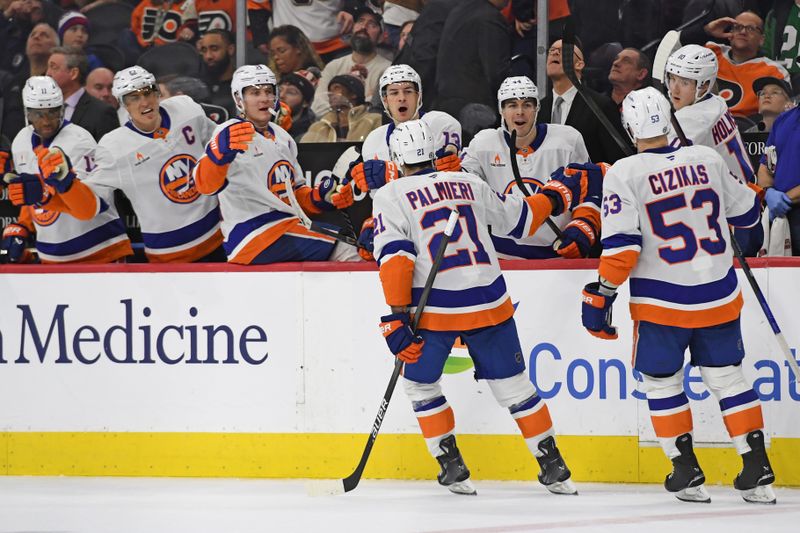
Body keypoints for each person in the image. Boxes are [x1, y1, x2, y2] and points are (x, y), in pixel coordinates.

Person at [371, 119, 590, 496]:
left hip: (434, 308)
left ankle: (450, 462)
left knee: (421, 386)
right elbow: (519, 221)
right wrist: (557, 195)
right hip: (489, 301)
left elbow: (396, 259)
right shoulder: (470, 183)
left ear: (397, 157)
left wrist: (395, 314)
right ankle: (552, 463)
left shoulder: (390, 195)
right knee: (516, 388)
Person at [581, 87, 775, 504]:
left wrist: (602, 293)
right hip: (718, 293)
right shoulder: (706, 159)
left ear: (631, 127)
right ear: (668, 119)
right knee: (727, 378)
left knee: (661, 382)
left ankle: (685, 469)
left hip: (662, 302)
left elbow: (622, 249)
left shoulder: (623, 172)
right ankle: (756, 463)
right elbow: (746, 216)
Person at [40, 66, 225, 263]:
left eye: (147, 93)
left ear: (157, 92)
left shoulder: (187, 110)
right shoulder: (114, 148)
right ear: (123, 104)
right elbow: (90, 208)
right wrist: (67, 185)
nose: (144, 102)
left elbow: (219, 152)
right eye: (133, 98)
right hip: (169, 256)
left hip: (219, 238)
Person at [192, 64, 361, 264]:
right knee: (348, 247)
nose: (264, 98)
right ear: (239, 99)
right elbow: (204, 186)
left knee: (351, 240)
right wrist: (217, 155)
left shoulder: (282, 136)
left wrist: (320, 197)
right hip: (251, 234)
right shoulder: (229, 132)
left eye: (268, 91)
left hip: (285, 228)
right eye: (255, 93)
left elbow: (295, 193)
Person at [461, 75, 595, 259]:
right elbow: (465, 190)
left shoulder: (567, 141)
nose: (520, 112)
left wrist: (582, 225)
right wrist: (452, 173)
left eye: (527, 104)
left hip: (557, 254)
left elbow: (589, 191)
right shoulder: (484, 144)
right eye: (512, 105)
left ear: (537, 108)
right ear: (502, 110)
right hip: (501, 256)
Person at [2, 75, 132, 264]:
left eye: (53, 112)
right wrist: (23, 225)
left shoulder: (79, 141)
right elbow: (32, 195)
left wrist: (51, 191)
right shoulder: (21, 141)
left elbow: (92, 207)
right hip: (52, 258)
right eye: (39, 114)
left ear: (62, 109)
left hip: (100, 252)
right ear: (27, 113)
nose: (46, 121)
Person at [665, 44, 761, 255]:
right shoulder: (716, 102)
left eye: (685, 82)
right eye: (672, 78)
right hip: (746, 206)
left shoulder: (692, 119)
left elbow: (659, 162)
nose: (674, 89)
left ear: (705, 85)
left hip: (732, 221)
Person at [681, 10, 791, 118]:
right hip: (696, 123)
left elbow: (783, 113)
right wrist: (705, 30)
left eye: (750, 28)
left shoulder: (775, 72)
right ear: (730, 33)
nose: (743, 32)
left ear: (762, 39)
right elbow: (667, 52)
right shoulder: (710, 52)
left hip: (746, 131)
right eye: (737, 27)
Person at [537, 39, 628, 165]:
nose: (554, 53)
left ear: (579, 64)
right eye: (551, 50)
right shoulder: (537, 109)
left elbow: (618, 159)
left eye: (563, 50)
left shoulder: (600, 106)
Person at [433, 0, 511, 119]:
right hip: (476, 111)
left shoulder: (459, 10)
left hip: (447, 103)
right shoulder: (489, 18)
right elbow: (496, 73)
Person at [310, 4, 391, 118]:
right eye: (360, 21)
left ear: (382, 36)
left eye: (372, 24)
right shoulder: (334, 66)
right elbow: (317, 107)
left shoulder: (387, 70)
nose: (364, 27)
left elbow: (377, 113)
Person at [46, 46, 119, 141]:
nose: (48, 73)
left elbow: (110, 152)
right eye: (48, 67)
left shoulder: (102, 112)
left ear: (73, 73)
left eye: (53, 67)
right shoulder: (45, 107)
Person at [757, 94, 800, 255]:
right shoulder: (783, 120)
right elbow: (764, 166)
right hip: (781, 217)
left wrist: (787, 198)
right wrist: (769, 193)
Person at [301, 74, 381, 142]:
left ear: (354, 94)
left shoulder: (374, 120)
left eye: (336, 88)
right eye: (329, 90)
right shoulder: (319, 126)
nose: (331, 94)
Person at [199, 28, 237, 120]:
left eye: (214, 49)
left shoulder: (240, 87)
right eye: (204, 50)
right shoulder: (199, 87)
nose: (208, 56)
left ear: (230, 49)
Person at [278, 71, 316, 139]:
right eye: (279, 90)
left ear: (305, 103)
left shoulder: (311, 133)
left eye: (291, 92)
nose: (281, 95)